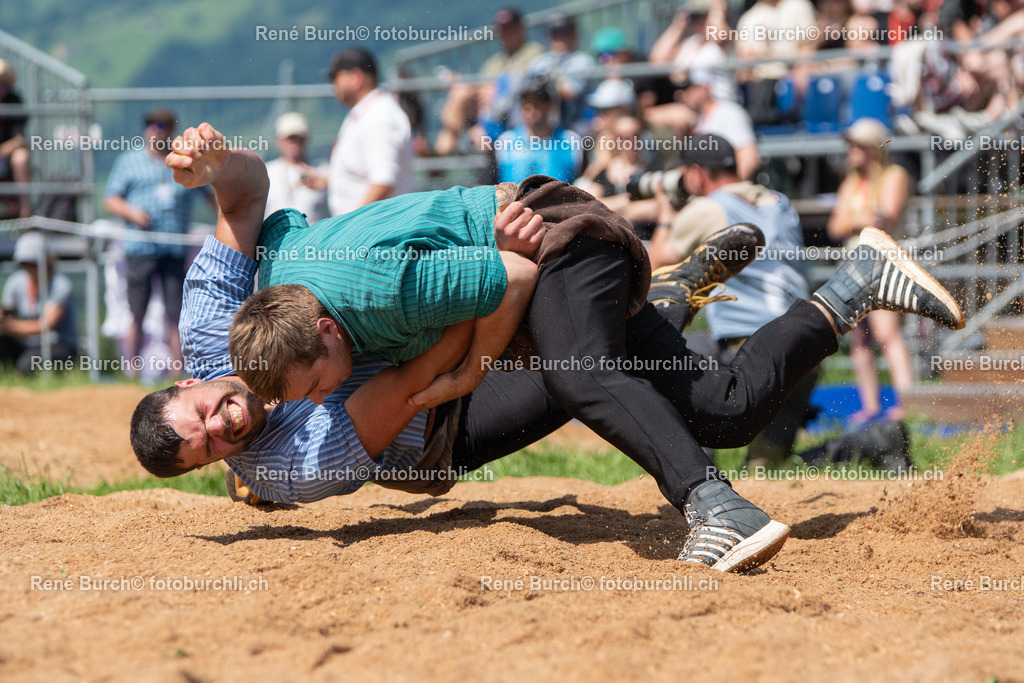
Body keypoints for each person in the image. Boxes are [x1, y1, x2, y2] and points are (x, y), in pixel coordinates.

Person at [135, 123, 964, 575]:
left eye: (206, 410)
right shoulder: (289, 460)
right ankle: (848, 288)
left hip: (506, 301)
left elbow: (445, 356)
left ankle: (715, 504)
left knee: (578, 372)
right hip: (436, 427)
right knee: (724, 407)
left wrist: (214, 161)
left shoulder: (238, 318)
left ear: (190, 374)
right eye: (213, 447)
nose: (228, 426)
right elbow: (421, 380)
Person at [647, 134, 814, 467]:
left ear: (696, 174)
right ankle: (873, 444)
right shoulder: (781, 203)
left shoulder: (708, 207)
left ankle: (696, 467)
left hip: (748, 351)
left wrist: (666, 214)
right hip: (806, 349)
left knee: (667, 355)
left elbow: (654, 266)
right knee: (766, 468)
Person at [103, 108, 211, 367]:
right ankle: (133, 371)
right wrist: (131, 212)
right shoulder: (128, 162)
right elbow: (110, 199)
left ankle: (178, 372)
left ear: (170, 130)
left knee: (176, 315)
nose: (155, 129)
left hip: (173, 250)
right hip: (140, 248)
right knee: (136, 313)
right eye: (151, 124)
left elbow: (210, 196)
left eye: (161, 125)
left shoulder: (186, 162)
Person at [827, 118, 914, 423]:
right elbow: (834, 226)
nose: (850, 150)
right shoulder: (851, 181)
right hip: (854, 266)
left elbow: (884, 218)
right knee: (860, 338)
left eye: (856, 144)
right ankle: (872, 406)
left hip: (882, 264)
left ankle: (907, 403)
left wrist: (852, 219)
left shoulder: (894, 175)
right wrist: (861, 218)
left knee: (887, 334)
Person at [434, 8, 545, 156]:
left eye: (509, 27)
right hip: (488, 112)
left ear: (521, 27)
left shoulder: (534, 53)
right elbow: (481, 88)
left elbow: (525, 87)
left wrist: (493, 90)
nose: (505, 33)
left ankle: (441, 154)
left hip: (513, 115)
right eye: (501, 29)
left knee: (464, 94)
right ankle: (444, 150)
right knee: (460, 91)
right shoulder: (494, 61)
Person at [325, 47, 414, 216]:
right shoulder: (367, 112)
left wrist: (351, 225)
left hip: (376, 233)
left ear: (356, 78)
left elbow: (383, 181)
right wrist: (325, 179)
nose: (333, 84)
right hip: (370, 231)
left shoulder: (378, 117)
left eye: (336, 77)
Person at [0, 231, 78, 373]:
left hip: (58, 345)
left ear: (46, 262)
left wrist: (8, 326)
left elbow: (45, 325)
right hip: (28, 343)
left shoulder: (60, 285)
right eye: (24, 263)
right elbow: (8, 312)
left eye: (33, 263)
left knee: (28, 363)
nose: (29, 268)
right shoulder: (16, 281)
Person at [494, 78, 584, 184]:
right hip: (515, 200)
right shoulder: (505, 141)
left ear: (550, 106)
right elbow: (487, 184)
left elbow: (583, 183)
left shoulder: (571, 141)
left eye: (536, 104)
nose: (529, 109)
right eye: (525, 103)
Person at [525, 13, 596, 129]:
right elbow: (528, 90)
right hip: (543, 116)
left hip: (573, 119)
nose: (559, 37)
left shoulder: (583, 60)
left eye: (564, 32)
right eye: (554, 33)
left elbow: (571, 92)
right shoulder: (540, 61)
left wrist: (548, 82)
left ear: (574, 34)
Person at [263, 112, 327, 224]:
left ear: (306, 139)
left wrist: (324, 180)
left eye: (299, 138)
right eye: (290, 139)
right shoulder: (267, 171)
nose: (295, 143)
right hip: (276, 238)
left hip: (314, 238)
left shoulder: (321, 170)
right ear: (279, 141)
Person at [0, 59, 31, 218]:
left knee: (21, 157)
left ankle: (25, 212)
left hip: (8, 154)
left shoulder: (14, 100)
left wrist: (3, 150)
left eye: (3, 83)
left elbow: (19, 139)